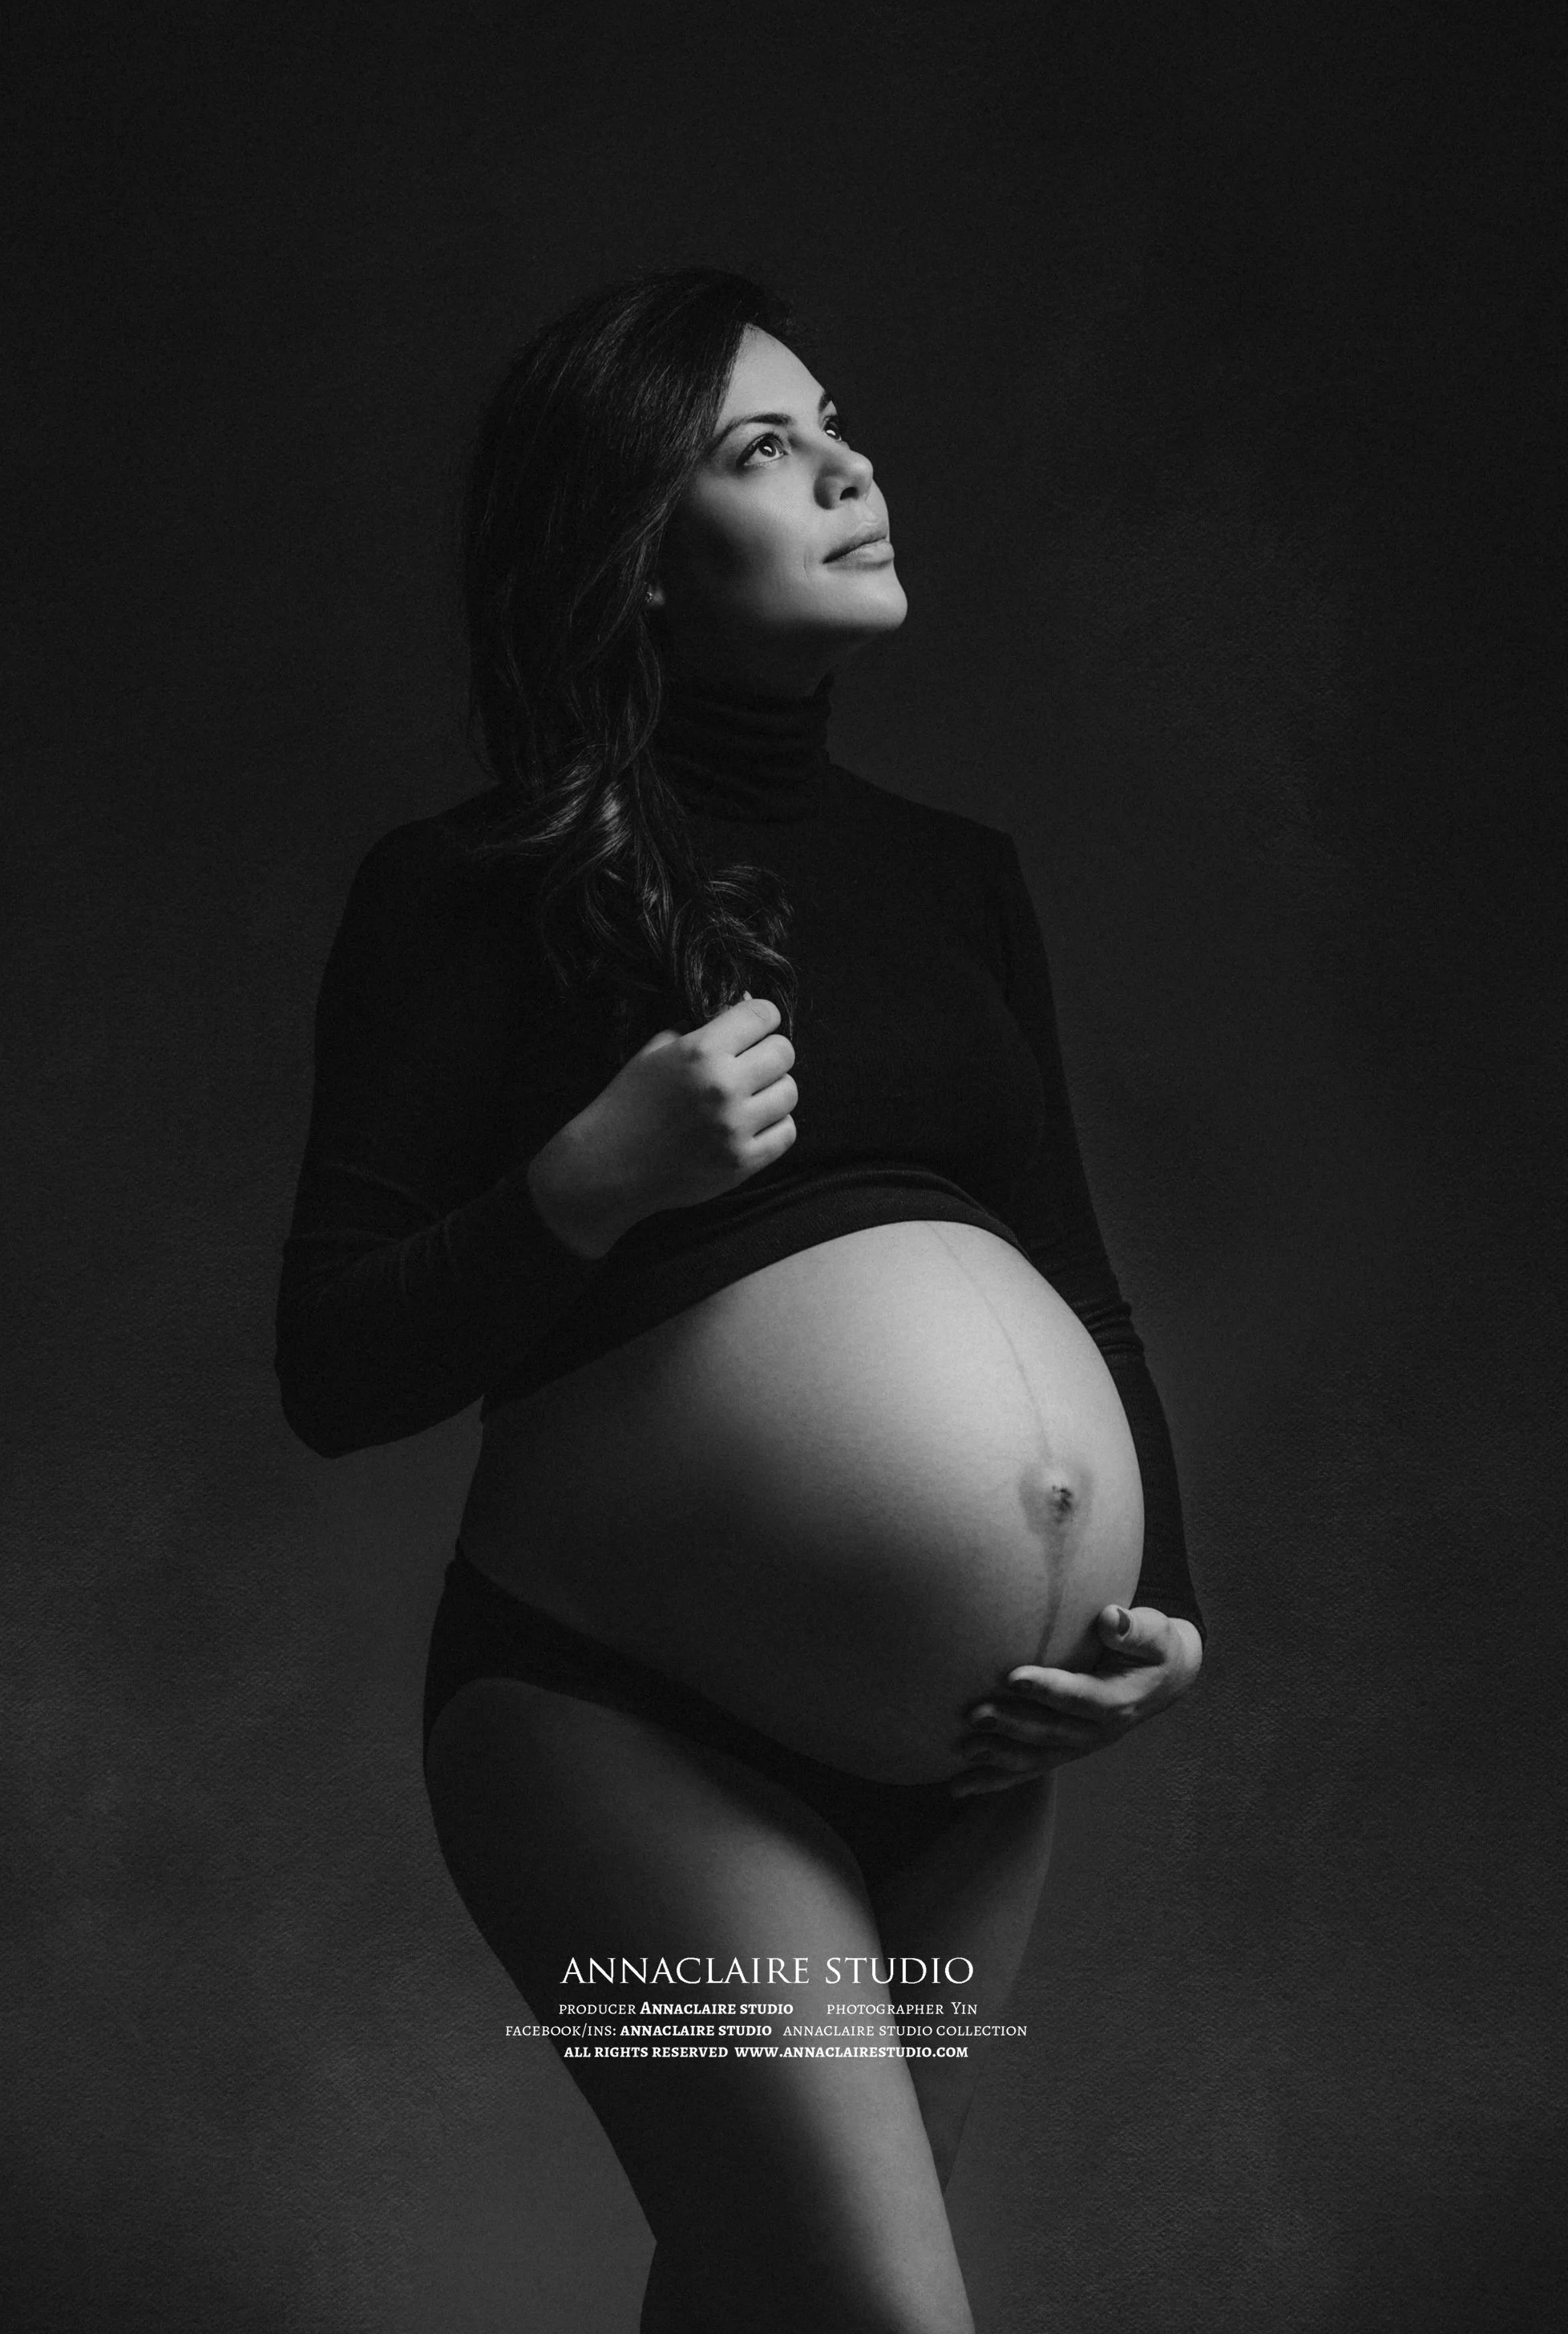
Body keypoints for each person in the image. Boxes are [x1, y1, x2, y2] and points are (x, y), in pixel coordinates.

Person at [276, 269, 1206, 2334]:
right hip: (627, 1723)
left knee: (771, 2303)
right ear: (634, 556)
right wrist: (581, 1188)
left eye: (837, 422)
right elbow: (332, 1368)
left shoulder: (957, 874)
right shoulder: (472, 888)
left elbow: (1084, 1288)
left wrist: (1161, 1606)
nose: (854, 467)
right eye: (765, 448)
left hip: (979, 1763)